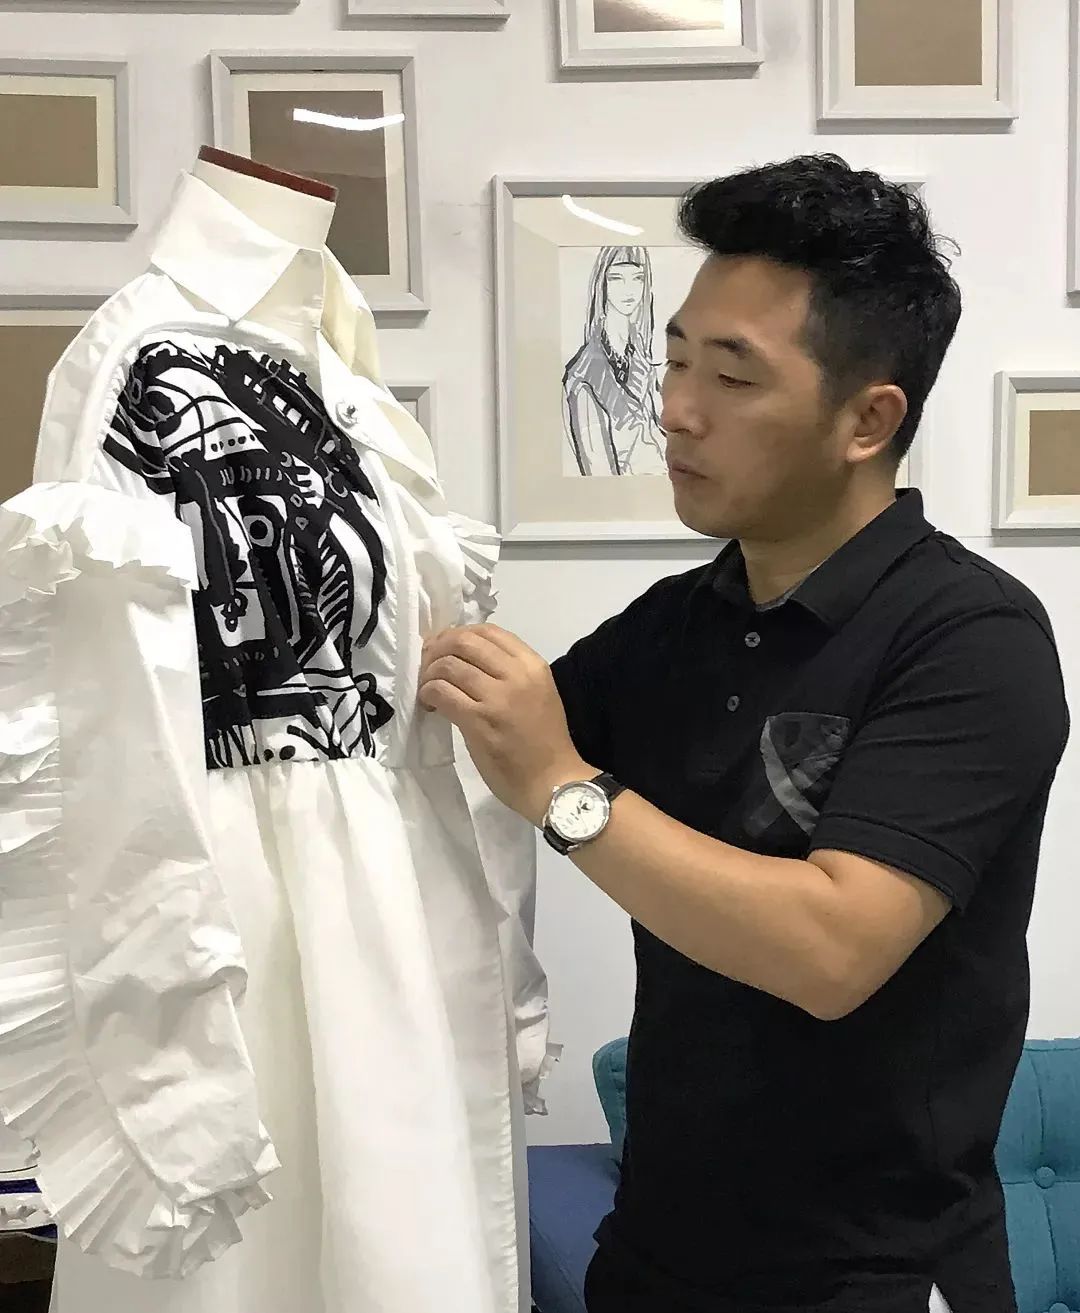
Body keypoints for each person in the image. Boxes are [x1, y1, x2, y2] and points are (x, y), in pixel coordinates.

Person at [419, 155, 1069, 1313]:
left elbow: (832, 948)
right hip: (653, 1255)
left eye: (731, 375)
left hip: (871, 1275)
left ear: (869, 418)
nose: (675, 408)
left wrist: (567, 790)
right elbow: (490, 741)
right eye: (674, 361)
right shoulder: (680, 621)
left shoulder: (972, 636)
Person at [563, 244, 668, 477]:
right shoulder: (585, 376)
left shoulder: (641, 357)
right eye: (617, 278)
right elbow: (598, 471)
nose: (629, 289)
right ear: (602, 283)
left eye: (638, 278)